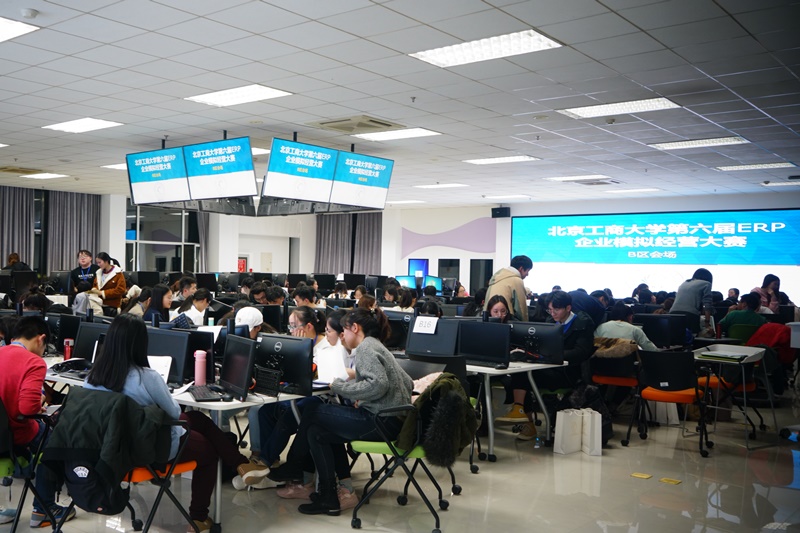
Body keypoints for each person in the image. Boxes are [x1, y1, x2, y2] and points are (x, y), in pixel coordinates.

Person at [83, 314, 268, 532]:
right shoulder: (146, 377)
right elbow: (173, 412)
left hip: (114, 449)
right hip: (150, 448)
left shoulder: (92, 377)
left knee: (198, 419)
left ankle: (241, 464)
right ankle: (198, 518)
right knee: (209, 452)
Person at [268, 308, 413, 516]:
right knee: (317, 432)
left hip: (379, 421)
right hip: (390, 420)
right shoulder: (377, 345)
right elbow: (406, 382)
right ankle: (329, 497)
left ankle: (295, 464)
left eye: (344, 330)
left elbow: (378, 385)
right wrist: (364, 397)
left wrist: (340, 387)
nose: (342, 335)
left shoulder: (366, 348)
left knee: (313, 409)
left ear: (355, 328)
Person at [0, 316, 76, 527]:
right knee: (55, 442)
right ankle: (44, 509)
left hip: (3, 432)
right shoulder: (33, 362)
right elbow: (27, 408)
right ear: (41, 339)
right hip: (13, 433)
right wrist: (38, 403)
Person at [250, 307, 330, 489]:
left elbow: (313, 376)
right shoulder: (296, 342)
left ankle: (263, 463)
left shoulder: (325, 347)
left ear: (308, 326)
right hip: (297, 393)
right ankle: (272, 462)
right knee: (265, 411)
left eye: (294, 326)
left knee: (288, 413)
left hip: (319, 397)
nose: (291, 330)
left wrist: (303, 346)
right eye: (290, 326)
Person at [498, 291, 596, 441]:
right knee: (520, 373)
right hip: (547, 368)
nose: (552, 313)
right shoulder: (550, 321)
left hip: (568, 373)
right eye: (550, 310)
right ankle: (521, 413)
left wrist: (553, 354)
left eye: (556, 309)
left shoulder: (582, 323)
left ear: (568, 308)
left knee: (524, 377)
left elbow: (581, 352)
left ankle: (523, 416)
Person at [594, 302, 658, 352]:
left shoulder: (600, 327)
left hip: (602, 363)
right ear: (630, 316)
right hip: (627, 364)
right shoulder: (635, 330)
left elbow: (593, 345)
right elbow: (651, 349)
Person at [484, 255, 532, 321]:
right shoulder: (517, 280)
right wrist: (525, 325)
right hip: (506, 320)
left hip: (489, 320)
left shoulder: (496, 279)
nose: (527, 274)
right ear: (521, 269)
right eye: (527, 271)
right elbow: (521, 309)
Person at [670, 268, 713, 334]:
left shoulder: (684, 283)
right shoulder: (707, 284)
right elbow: (707, 305)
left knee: (676, 336)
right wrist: (707, 323)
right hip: (690, 315)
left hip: (673, 314)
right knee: (694, 337)